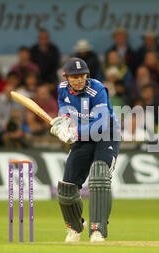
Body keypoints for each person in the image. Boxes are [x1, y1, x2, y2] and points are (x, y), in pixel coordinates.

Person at [49, 57, 121, 242]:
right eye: (75, 77)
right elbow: (66, 111)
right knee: (67, 188)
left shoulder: (97, 89)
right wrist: (63, 125)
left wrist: (75, 133)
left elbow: (101, 123)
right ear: (67, 77)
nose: (80, 79)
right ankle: (75, 227)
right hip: (82, 135)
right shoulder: (62, 89)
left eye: (82, 75)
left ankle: (97, 229)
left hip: (106, 134)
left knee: (99, 174)